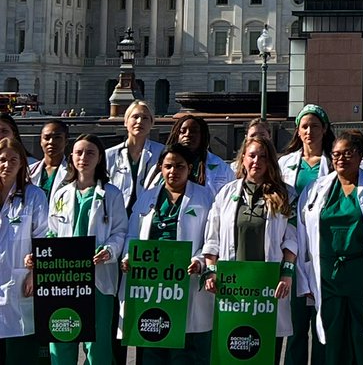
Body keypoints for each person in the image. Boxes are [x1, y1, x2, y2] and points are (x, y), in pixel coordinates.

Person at [297, 131, 363, 365]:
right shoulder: (315, 189)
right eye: (336, 154)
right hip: (327, 278)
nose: (341, 158)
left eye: (348, 153)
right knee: (333, 339)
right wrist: (304, 279)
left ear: (360, 155)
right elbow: (302, 235)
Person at [203, 134, 299, 364]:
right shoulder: (226, 193)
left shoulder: (287, 195)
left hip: (268, 285)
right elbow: (212, 238)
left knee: (266, 350)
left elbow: (292, 240)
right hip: (234, 287)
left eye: (263, 157)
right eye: (252, 155)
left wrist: (286, 274)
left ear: (270, 161)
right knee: (234, 349)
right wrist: (211, 271)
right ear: (243, 159)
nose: (257, 161)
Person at [121, 143, 215, 365]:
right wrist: (128, 256)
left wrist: (199, 261)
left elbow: (212, 238)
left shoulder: (205, 197)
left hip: (185, 280)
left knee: (184, 349)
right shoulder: (147, 197)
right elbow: (132, 234)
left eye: (180, 166)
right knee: (153, 342)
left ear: (189, 168)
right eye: (168, 166)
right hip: (151, 283)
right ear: (161, 168)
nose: (173, 171)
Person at [46, 133, 129, 365]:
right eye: (79, 152)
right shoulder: (61, 193)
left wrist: (109, 251)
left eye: (90, 153)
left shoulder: (111, 194)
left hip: (98, 276)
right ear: (71, 157)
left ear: (100, 158)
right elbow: (52, 231)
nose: (83, 158)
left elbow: (120, 232)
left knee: (97, 340)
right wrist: (44, 254)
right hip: (64, 276)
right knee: (62, 335)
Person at [278, 104, 334, 365]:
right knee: (296, 324)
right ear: (298, 131)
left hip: (322, 247)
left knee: (322, 325)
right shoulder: (285, 163)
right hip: (292, 247)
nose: (309, 131)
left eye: (315, 126)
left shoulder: (333, 163)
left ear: (324, 129)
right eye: (304, 126)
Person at [0, 136, 49, 362]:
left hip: (19, 283)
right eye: (2, 159)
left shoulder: (34, 195)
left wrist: (34, 272)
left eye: (13, 160)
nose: (7, 165)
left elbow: (43, 236)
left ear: (22, 163)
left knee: (19, 352)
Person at [106, 100, 164, 214]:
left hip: (149, 214)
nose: (139, 121)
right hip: (116, 215)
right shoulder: (109, 155)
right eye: (135, 117)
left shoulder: (161, 153)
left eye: (145, 118)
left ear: (152, 124)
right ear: (126, 121)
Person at [160, 114, 236, 194]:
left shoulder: (221, 168)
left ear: (202, 136)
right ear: (176, 135)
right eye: (183, 131)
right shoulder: (162, 166)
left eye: (193, 131)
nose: (187, 134)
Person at [28, 119, 69, 198]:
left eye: (57, 137)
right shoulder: (29, 171)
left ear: (66, 141)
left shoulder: (73, 172)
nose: (51, 142)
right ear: (41, 141)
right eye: (46, 138)